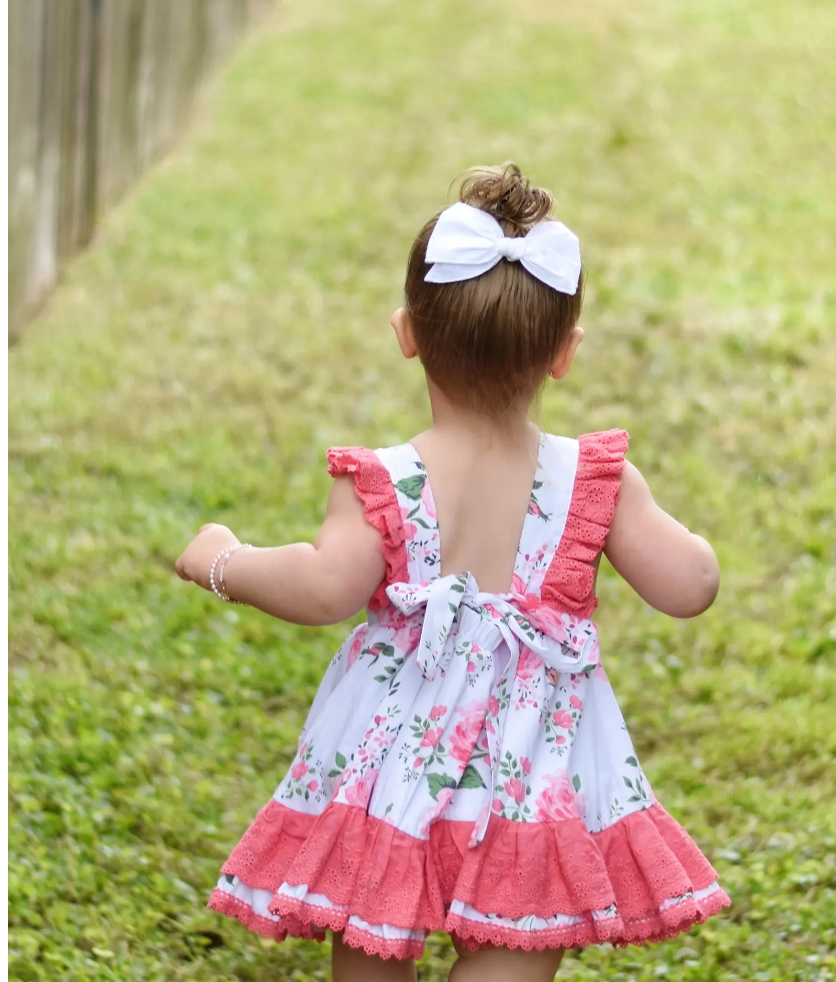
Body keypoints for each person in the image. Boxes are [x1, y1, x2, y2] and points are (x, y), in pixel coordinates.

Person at [175, 163, 729, 982]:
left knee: (368, 933)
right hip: (529, 774)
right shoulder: (596, 484)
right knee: (513, 942)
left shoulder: (384, 483)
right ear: (565, 355)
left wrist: (222, 559)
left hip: (391, 768)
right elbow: (690, 588)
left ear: (408, 333)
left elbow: (322, 586)